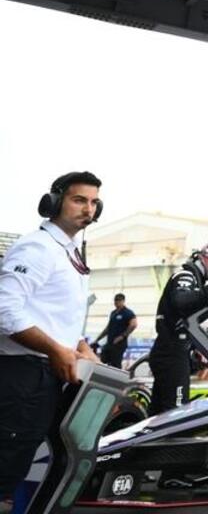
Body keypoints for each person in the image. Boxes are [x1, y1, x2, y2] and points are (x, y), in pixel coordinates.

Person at [0, 171, 103, 507]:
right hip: (21, 375)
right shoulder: (38, 247)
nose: (88, 209)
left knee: (19, 464)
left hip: (43, 375)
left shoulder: (67, 251)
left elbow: (55, 313)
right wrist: (55, 349)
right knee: (5, 467)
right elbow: (5, 311)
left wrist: (81, 345)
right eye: (78, 200)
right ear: (55, 202)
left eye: (93, 202)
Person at [147, 237, 208, 415]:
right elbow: (181, 302)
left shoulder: (195, 281)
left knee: (159, 413)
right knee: (175, 413)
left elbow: (186, 316)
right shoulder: (185, 275)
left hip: (172, 352)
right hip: (171, 354)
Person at [95, 293, 137, 368]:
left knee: (115, 364)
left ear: (123, 301)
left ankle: (116, 378)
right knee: (102, 361)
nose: (116, 302)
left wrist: (122, 336)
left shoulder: (127, 313)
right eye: (115, 300)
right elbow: (108, 328)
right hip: (110, 342)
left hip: (119, 344)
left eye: (118, 300)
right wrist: (97, 339)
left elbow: (133, 324)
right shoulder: (113, 313)